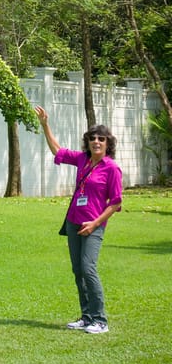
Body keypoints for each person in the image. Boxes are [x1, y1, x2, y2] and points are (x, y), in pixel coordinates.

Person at [35, 105, 123, 334]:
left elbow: (116, 203)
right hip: (74, 221)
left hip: (93, 225)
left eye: (101, 139)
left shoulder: (111, 168)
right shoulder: (82, 160)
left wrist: (95, 224)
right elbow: (57, 151)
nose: (96, 141)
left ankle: (100, 320)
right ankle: (86, 317)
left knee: (88, 268)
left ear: (107, 143)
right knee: (78, 270)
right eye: (92, 138)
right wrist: (45, 125)